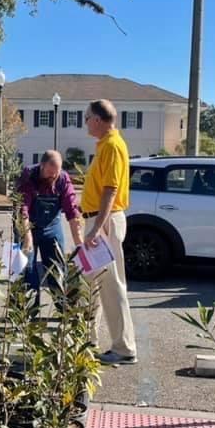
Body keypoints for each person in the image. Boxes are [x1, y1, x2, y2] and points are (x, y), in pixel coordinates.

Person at [81, 99, 137, 365]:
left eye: (87, 117)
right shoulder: (105, 145)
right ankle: (88, 339)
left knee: (111, 286)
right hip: (98, 222)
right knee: (89, 284)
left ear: (98, 119)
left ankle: (124, 348)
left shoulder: (113, 146)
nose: (85, 123)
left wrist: (96, 228)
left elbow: (110, 189)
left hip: (104, 223)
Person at [16, 150, 83, 302]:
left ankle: (64, 310)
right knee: (28, 270)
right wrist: (27, 238)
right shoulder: (28, 176)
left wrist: (79, 243)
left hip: (52, 228)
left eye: (56, 173)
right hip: (27, 226)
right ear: (42, 166)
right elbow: (22, 210)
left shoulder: (63, 179)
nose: (53, 176)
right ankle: (28, 315)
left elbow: (72, 212)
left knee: (58, 269)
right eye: (49, 172)